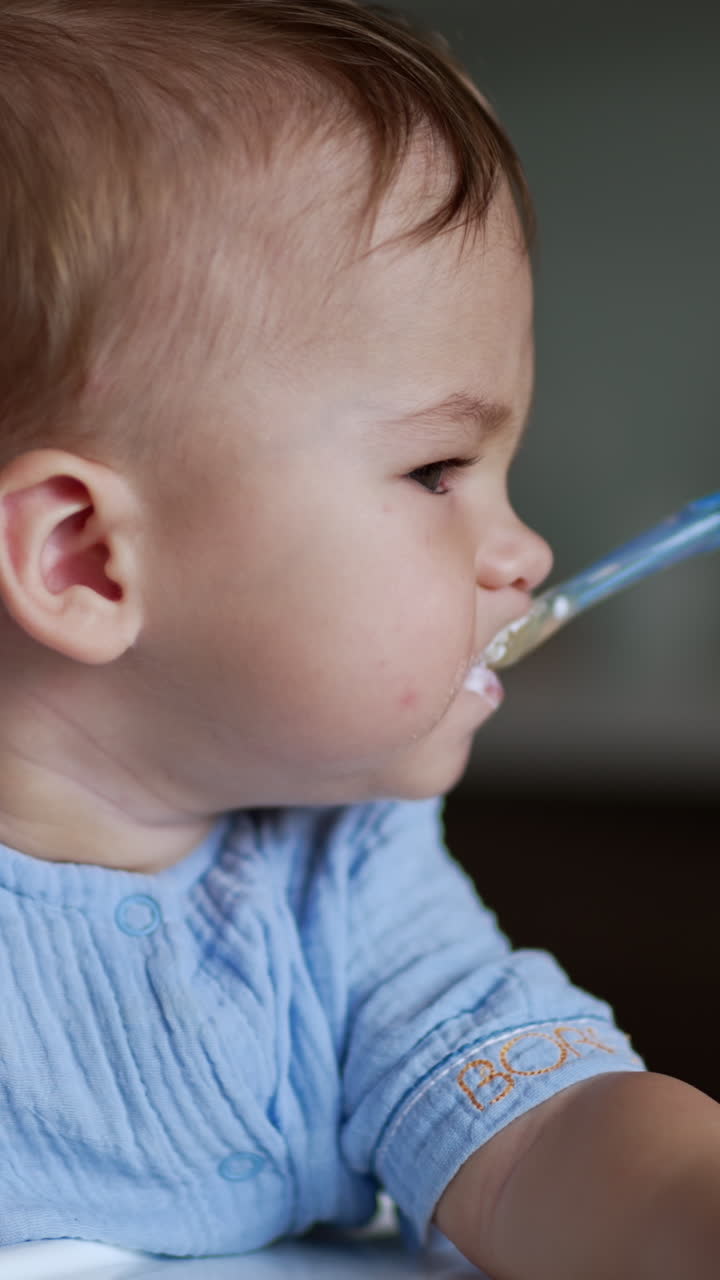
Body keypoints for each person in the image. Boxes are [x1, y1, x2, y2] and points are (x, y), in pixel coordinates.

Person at [0, 3, 719, 1277]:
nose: (528, 551)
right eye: (441, 467)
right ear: (86, 560)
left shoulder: (348, 867)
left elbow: (549, 1137)